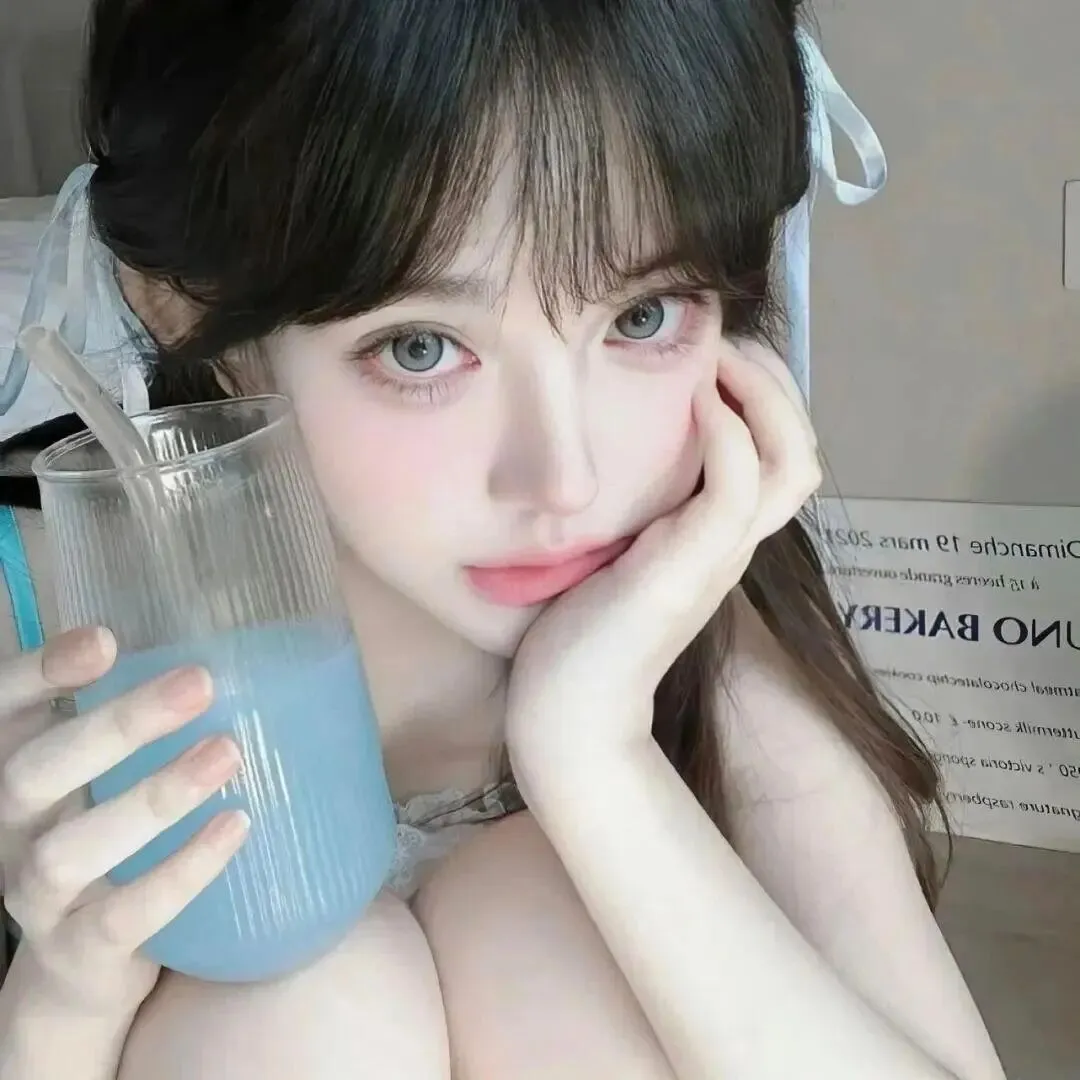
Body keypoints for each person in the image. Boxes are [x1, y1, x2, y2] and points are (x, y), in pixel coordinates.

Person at [0, 2, 1006, 1078]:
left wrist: (593, 754)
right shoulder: (39, 636)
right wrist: (62, 1008)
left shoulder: (714, 630)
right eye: (422, 348)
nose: (567, 481)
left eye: (644, 316)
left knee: (535, 907)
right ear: (190, 315)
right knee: (307, 995)